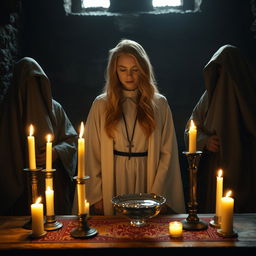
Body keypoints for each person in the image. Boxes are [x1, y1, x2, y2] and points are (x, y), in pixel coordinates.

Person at [84, 39, 185, 215]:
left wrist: (157, 193)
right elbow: (92, 153)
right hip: (113, 176)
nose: (128, 76)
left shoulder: (159, 104)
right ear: (114, 71)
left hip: (148, 175)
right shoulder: (101, 104)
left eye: (135, 70)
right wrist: (96, 194)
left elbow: (167, 153)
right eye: (122, 70)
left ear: (143, 70)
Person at [0, 57, 78, 215]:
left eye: (36, 83)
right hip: (22, 190)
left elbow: (72, 140)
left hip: (53, 186)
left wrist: (56, 152)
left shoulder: (55, 108)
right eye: (27, 84)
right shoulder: (8, 113)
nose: (32, 89)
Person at [184, 45, 256, 213]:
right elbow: (191, 128)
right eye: (219, 70)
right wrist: (205, 141)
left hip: (244, 167)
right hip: (215, 166)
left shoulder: (249, 94)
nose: (222, 75)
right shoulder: (209, 95)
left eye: (227, 70)